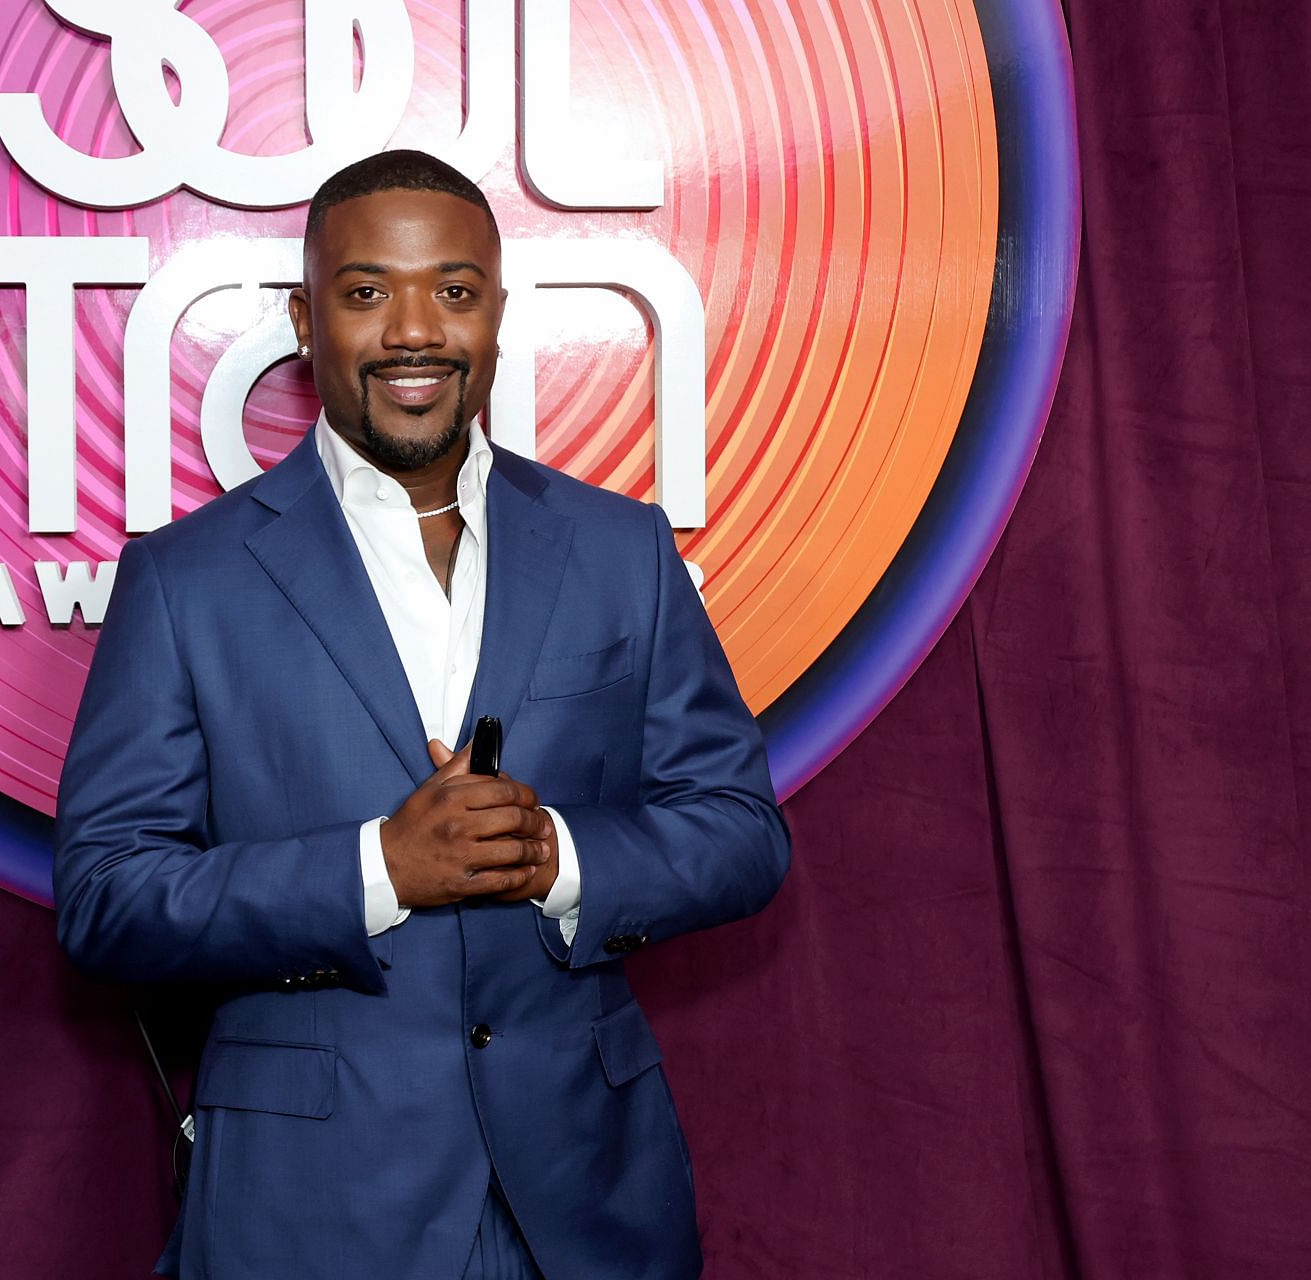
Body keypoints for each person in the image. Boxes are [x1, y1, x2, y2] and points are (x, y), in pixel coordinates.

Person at [53, 149, 791, 1279]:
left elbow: (742, 830)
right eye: (365, 292)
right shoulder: (184, 580)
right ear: (307, 319)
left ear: (497, 311)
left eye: (453, 290)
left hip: (586, 1203)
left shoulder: (619, 549)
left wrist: (559, 855)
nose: (414, 330)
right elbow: (105, 897)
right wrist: (380, 867)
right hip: (310, 1214)